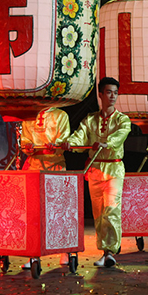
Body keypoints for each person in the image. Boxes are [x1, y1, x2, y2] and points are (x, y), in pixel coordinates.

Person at [65, 77, 131, 268]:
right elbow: (80, 135)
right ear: (100, 94)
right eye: (109, 92)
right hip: (95, 169)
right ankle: (105, 251)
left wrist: (107, 143)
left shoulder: (122, 120)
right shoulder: (91, 119)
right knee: (99, 213)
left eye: (115, 93)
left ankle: (110, 250)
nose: (113, 96)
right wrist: (71, 143)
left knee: (111, 209)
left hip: (114, 168)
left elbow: (120, 135)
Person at [19, 106, 71, 269]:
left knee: (58, 210)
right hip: (34, 167)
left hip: (55, 166)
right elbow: (25, 140)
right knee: (34, 213)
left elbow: (64, 139)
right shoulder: (29, 115)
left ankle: (65, 251)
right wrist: (27, 147)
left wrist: (55, 145)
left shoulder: (61, 115)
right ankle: (33, 254)